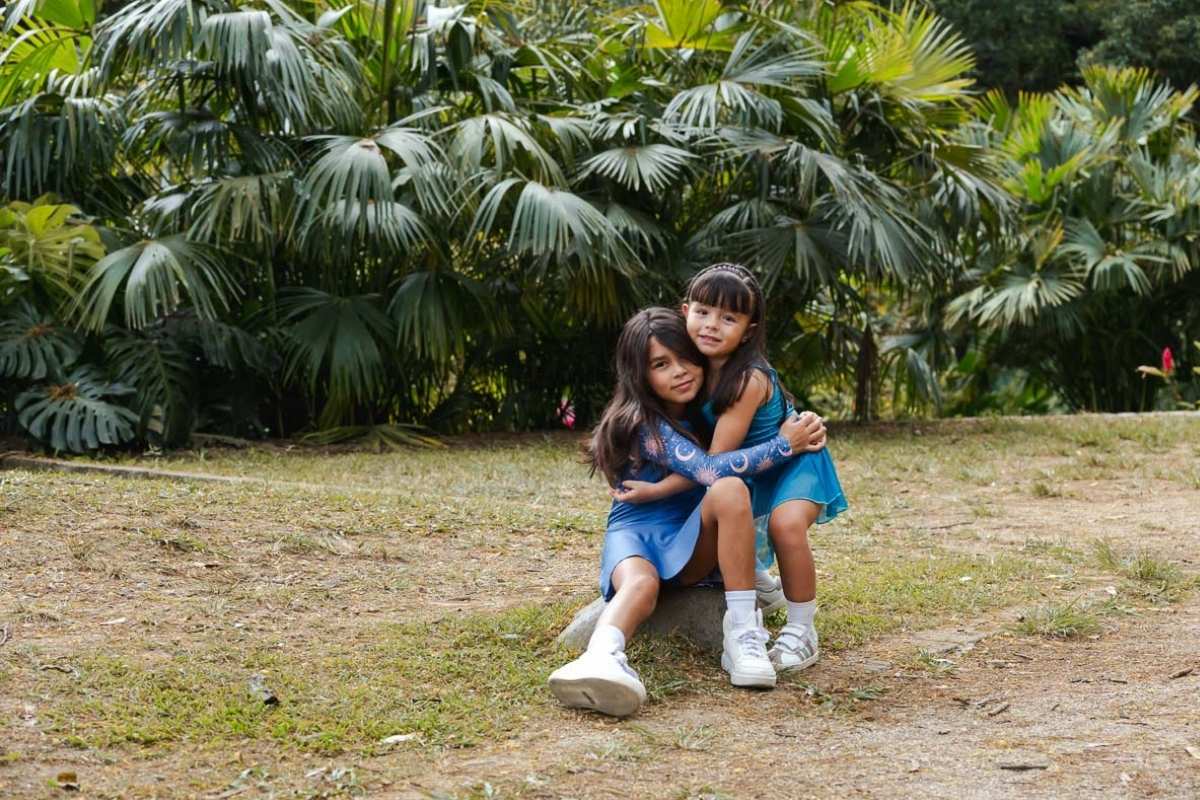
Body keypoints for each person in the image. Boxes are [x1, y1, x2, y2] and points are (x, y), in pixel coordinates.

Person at [547, 307, 826, 717]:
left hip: (693, 536)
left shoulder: (707, 410)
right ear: (639, 374)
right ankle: (601, 657)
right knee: (641, 583)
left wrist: (800, 424)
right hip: (638, 532)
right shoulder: (643, 423)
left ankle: (742, 632)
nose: (679, 372)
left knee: (729, 491)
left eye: (685, 358)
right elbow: (707, 469)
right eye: (661, 364)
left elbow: (747, 434)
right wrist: (785, 445)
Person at [684, 262, 848, 672]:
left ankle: (802, 630)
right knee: (726, 511)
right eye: (703, 312)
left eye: (728, 318)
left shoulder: (747, 380)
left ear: (748, 330)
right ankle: (761, 582)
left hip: (795, 460)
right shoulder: (690, 366)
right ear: (685, 311)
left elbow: (716, 459)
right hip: (753, 467)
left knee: (785, 526)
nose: (711, 325)